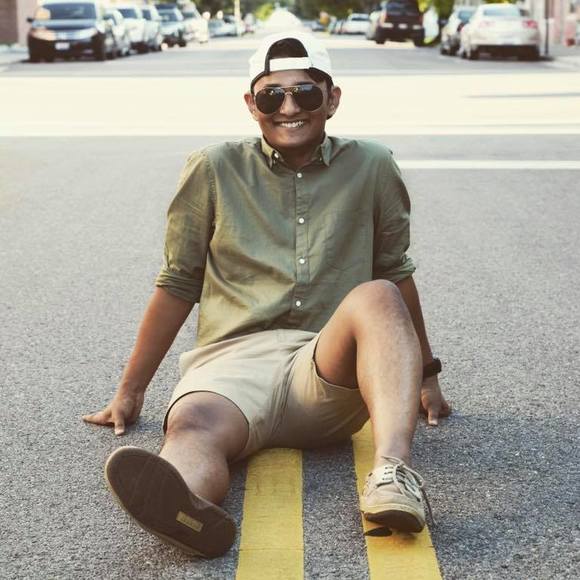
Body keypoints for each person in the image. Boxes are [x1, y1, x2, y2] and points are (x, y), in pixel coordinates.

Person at [83, 31, 450, 558]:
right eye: (272, 96)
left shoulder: (371, 165)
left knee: (377, 293)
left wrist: (426, 378)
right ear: (251, 104)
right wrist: (130, 391)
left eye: (305, 93)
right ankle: (186, 510)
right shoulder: (213, 168)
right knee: (192, 427)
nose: (289, 108)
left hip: (325, 369)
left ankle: (392, 475)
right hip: (230, 367)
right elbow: (178, 282)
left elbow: (397, 273)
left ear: (332, 99)